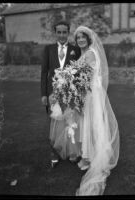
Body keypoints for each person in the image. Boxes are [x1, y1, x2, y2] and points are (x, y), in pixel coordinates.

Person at [71, 26, 120, 195]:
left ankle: (92, 158)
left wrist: (72, 83)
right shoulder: (87, 53)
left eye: (83, 37)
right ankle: (88, 156)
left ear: (89, 38)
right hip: (91, 93)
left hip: (91, 94)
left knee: (92, 124)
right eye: (78, 38)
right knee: (89, 124)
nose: (80, 40)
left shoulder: (90, 53)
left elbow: (85, 76)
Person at [41, 20, 81, 167]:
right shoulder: (48, 49)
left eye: (65, 32)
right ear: (55, 33)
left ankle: (71, 152)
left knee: (70, 122)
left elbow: (78, 72)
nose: (62, 35)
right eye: (59, 32)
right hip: (53, 94)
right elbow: (44, 72)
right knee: (54, 124)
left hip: (70, 93)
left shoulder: (75, 49)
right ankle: (55, 154)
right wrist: (44, 94)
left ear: (68, 32)